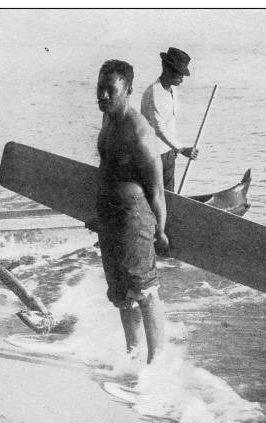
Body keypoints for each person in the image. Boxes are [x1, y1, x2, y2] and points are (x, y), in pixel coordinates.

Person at [95, 59, 169, 363]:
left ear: (128, 91)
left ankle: (157, 365)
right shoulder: (108, 121)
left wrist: (161, 231)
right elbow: (105, 169)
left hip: (134, 216)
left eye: (110, 90)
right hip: (110, 216)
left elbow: (156, 190)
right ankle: (133, 356)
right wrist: (97, 214)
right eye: (99, 88)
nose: (102, 95)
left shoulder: (140, 131)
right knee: (122, 295)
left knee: (144, 291)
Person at [141, 47, 198, 191]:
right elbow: (159, 128)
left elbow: (170, 124)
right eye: (177, 72)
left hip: (168, 153)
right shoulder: (154, 92)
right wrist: (182, 148)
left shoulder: (173, 90)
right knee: (156, 196)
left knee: (169, 195)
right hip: (153, 155)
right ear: (165, 68)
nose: (181, 77)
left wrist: (174, 150)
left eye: (182, 73)